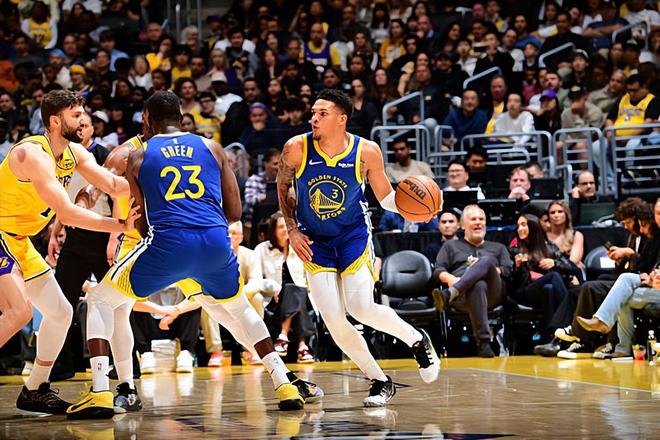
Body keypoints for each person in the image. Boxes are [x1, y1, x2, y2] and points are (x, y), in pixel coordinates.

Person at [66, 91, 321, 419]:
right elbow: (235, 212)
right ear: (181, 117)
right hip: (212, 242)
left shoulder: (138, 155)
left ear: (147, 119)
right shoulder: (210, 147)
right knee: (236, 310)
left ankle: (101, 390)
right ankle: (282, 381)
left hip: (163, 244)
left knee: (102, 301)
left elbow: (141, 219)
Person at [277, 89, 440, 407]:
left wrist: (410, 209)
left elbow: (386, 197)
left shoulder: (367, 151)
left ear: (342, 119)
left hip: (352, 235)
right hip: (314, 239)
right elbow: (283, 185)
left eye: (322, 113)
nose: (313, 119)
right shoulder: (296, 148)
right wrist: (292, 230)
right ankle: (380, 381)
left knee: (361, 308)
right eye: (313, 113)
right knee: (334, 320)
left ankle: (417, 340)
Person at [0, 90, 136, 415]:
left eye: (83, 113)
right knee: (19, 312)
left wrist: (155, 189)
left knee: (61, 312)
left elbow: (113, 185)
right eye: (75, 115)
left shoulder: (74, 152)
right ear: (55, 121)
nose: (83, 120)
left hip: (20, 241)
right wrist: (120, 225)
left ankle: (35, 389)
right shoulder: (32, 154)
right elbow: (68, 213)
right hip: (0, 234)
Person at [432, 205, 513, 357]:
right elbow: (437, 270)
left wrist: (485, 268)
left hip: (493, 294)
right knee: (478, 285)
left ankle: (451, 293)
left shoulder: (498, 247)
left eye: (481, 219)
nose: (478, 222)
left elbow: (508, 270)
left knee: (486, 261)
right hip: (462, 298)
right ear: (462, 225)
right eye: (473, 219)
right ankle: (484, 343)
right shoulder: (450, 246)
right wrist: (450, 279)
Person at [509, 214, 574, 336]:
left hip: (545, 290)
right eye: (518, 226)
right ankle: (569, 321)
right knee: (553, 276)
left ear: (533, 226)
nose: (519, 229)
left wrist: (554, 263)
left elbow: (571, 268)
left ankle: (553, 333)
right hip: (524, 291)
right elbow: (509, 279)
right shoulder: (514, 250)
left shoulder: (549, 248)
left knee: (548, 289)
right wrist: (517, 267)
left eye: (523, 225)